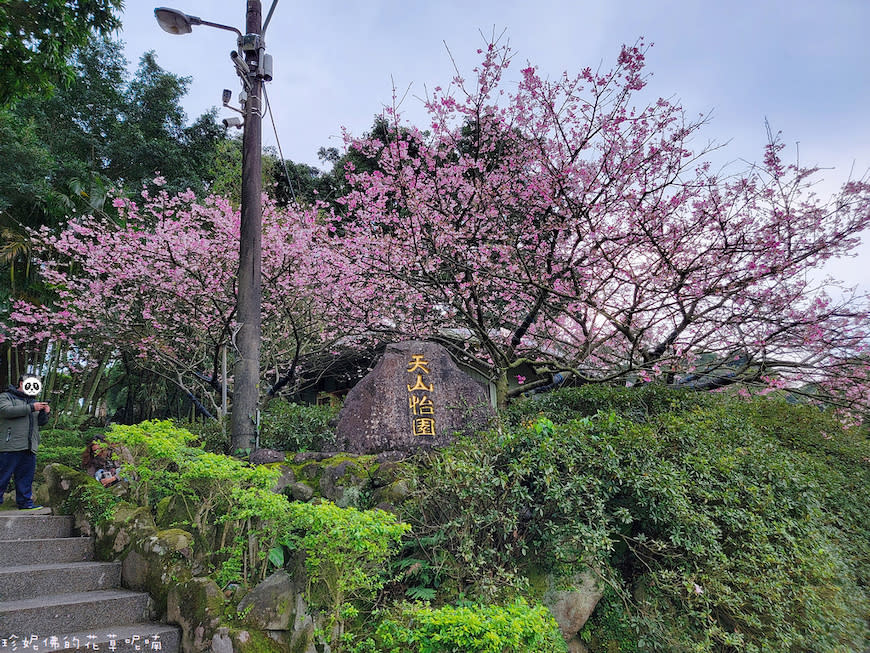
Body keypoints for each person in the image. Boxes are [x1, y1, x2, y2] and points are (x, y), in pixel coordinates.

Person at [0, 375, 51, 511]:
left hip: (29, 446)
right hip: (10, 445)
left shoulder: (33, 402)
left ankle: (25, 503)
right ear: (22, 383)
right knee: (3, 475)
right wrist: (31, 407)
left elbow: (41, 423)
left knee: (25, 477)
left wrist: (45, 413)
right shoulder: (7, 396)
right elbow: (5, 411)